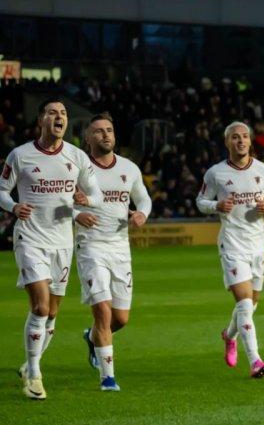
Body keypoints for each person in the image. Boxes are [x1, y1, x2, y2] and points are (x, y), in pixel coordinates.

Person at [0, 100, 102, 400]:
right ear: (41, 120)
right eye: (53, 112)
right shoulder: (20, 155)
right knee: (41, 307)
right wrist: (14, 205)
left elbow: (95, 193)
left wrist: (86, 200)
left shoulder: (77, 156)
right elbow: (2, 190)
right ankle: (33, 374)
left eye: (64, 113)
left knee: (53, 312)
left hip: (62, 243)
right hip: (30, 239)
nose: (59, 117)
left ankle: (30, 363)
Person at [196, 121, 264, 378]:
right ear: (227, 142)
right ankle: (255, 361)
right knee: (245, 304)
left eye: (245, 136)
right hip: (232, 245)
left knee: (252, 304)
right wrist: (217, 206)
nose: (241, 141)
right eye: (235, 137)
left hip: (258, 246)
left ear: (250, 140)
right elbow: (201, 201)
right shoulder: (216, 173)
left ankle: (229, 335)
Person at [75, 113, 152, 391]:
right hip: (91, 246)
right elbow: (58, 199)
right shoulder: (78, 167)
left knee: (120, 318)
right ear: (88, 138)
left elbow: (143, 198)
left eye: (109, 130)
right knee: (103, 313)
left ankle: (92, 338)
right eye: (98, 131)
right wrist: (76, 215)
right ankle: (108, 378)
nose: (105, 135)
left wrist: (142, 213)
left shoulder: (129, 168)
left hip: (120, 248)